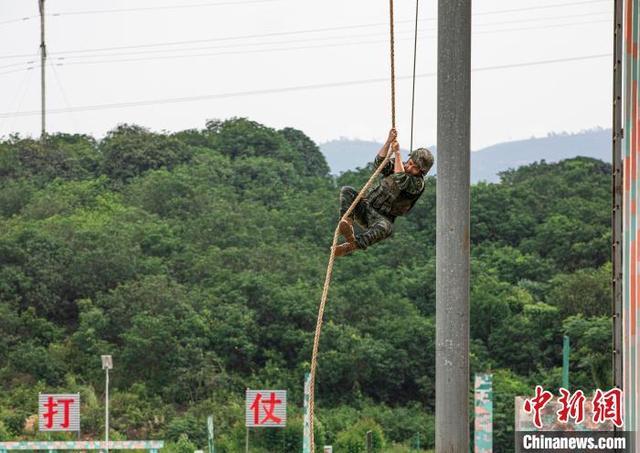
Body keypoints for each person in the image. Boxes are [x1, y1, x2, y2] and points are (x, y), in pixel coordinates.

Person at [334, 128, 434, 257]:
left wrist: (397, 153)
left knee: (385, 228)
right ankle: (347, 223)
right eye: (410, 163)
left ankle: (352, 245)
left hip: (383, 218)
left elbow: (400, 179)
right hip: (367, 207)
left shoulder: (418, 184)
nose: (410, 168)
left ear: (421, 172)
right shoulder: (398, 165)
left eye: (415, 168)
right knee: (347, 191)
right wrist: (388, 142)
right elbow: (379, 164)